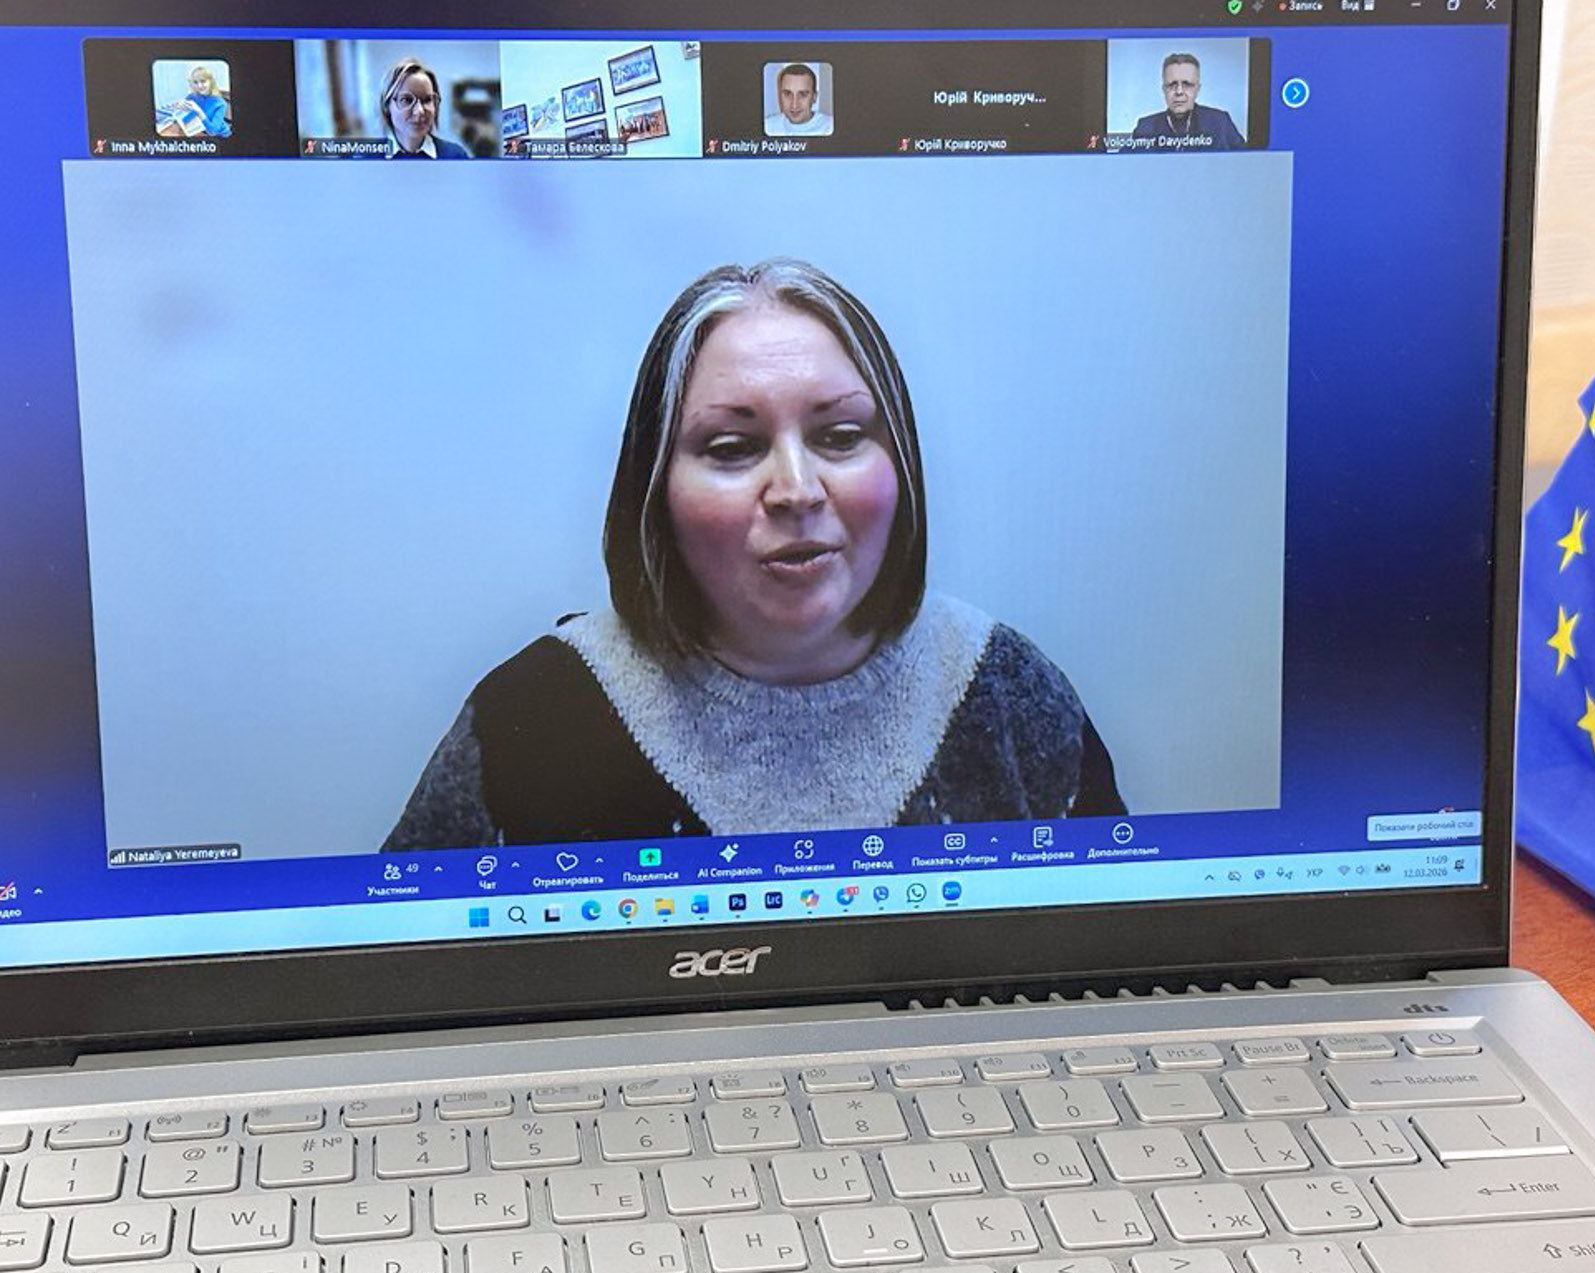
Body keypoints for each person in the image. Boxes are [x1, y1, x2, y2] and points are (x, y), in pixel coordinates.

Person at [385, 259, 1124, 850]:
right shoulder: (530, 714)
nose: (797, 490)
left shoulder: (1007, 692)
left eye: (841, 437)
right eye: (733, 447)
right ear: (654, 489)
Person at [1131, 52, 1245, 150]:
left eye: (1187, 84)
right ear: (1164, 89)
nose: (1179, 91)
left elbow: (1246, 161)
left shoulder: (1220, 122)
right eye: (1172, 85)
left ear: (1197, 89)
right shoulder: (1145, 128)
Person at [379, 58, 471, 159]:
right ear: (387, 106)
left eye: (427, 100)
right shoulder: (369, 155)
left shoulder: (455, 155)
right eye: (407, 100)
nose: (419, 111)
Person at [156, 63, 231, 139]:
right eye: (195, 82)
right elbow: (185, 118)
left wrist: (199, 111)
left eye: (203, 81)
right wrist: (179, 109)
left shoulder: (220, 103)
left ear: (211, 82)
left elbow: (213, 132)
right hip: (199, 131)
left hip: (220, 136)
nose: (199, 86)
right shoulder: (192, 97)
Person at [763, 63, 833, 137]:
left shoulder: (829, 127)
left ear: (814, 97)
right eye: (787, 94)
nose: (794, 105)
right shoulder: (767, 127)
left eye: (803, 95)